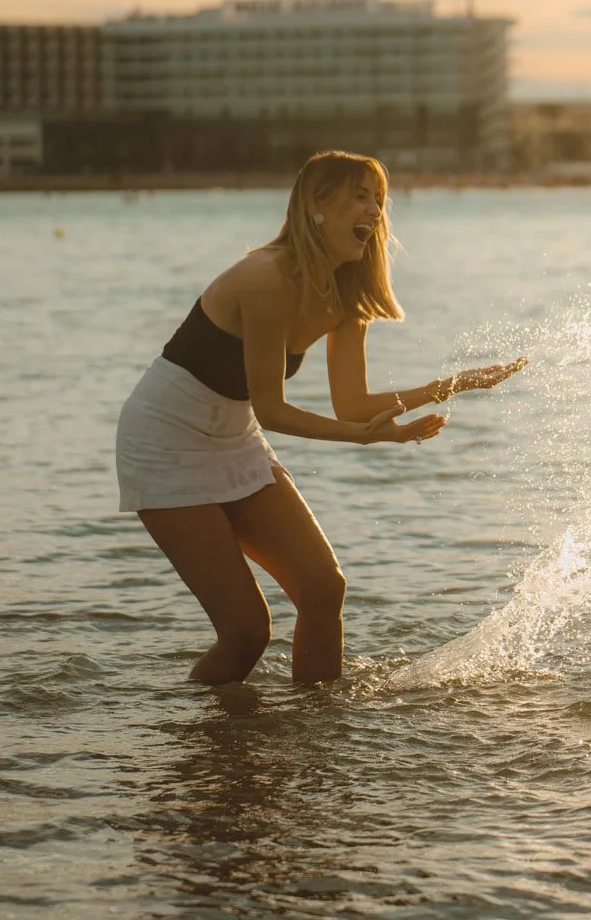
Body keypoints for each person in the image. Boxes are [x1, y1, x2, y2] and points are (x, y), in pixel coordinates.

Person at [115, 151, 526, 684]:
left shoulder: (348, 294)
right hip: (163, 439)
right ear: (316, 205)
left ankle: (319, 726)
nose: (374, 210)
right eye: (359, 196)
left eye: (378, 199)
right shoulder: (266, 278)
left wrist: (449, 387)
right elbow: (274, 409)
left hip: (232, 433)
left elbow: (351, 403)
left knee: (323, 587)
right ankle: (198, 733)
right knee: (246, 632)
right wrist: (361, 439)